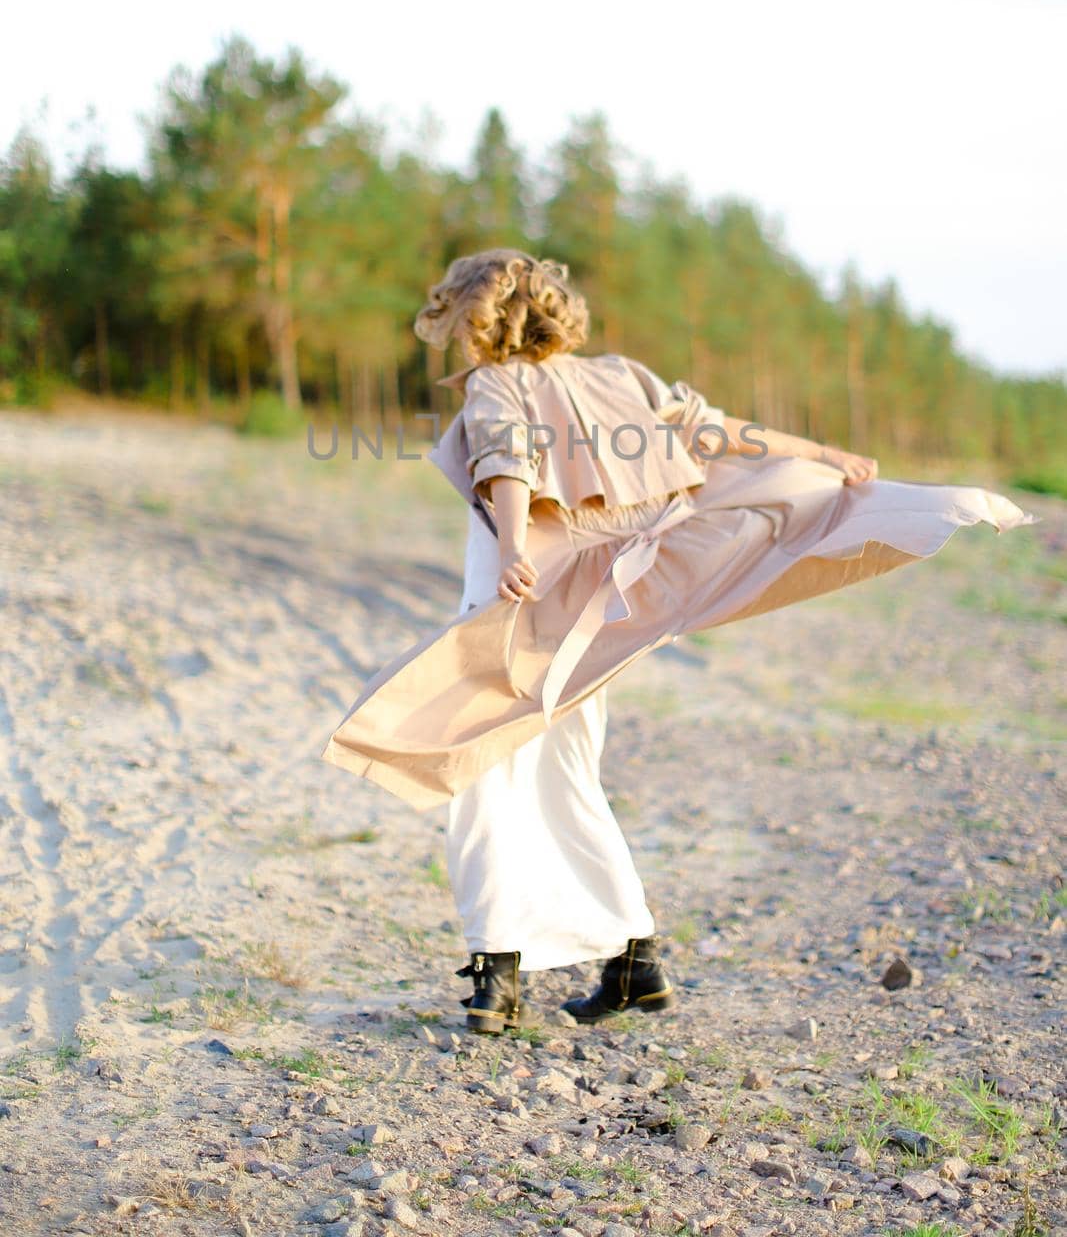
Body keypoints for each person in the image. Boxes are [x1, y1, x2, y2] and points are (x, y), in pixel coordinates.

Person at [322, 249, 1033, 1033]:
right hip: (595, 618)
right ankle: (634, 963)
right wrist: (823, 456)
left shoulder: (500, 384)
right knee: (563, 779)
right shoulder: (620, 376)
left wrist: (517, 545)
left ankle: (499, 980)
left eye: (456, 317)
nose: (453, 333)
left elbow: (506, 462)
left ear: (475, 319)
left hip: (517, 608)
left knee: (477, 774)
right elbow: (715, 430)